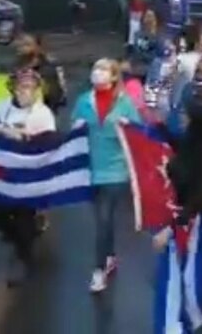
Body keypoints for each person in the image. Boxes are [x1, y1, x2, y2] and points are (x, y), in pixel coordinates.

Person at [153, 56, 202, 329]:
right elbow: (178, 156)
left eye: (187, 114)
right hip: (191, 223)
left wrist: (172, 226)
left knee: (200, 290)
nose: (182, 118)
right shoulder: (192, 143)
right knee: (188, 287)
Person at [0, 69, 58, 285]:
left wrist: (25, 137)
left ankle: (23, 260)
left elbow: (49, 144)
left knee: (23, 219)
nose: (25, 92)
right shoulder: (2, 106)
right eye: (21, 87)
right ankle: (21, 235)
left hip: (27, 177)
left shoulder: (42, 114)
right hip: (2, 175)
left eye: (30, 88)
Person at [71, 59, 143, 293]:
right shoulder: (84, 101)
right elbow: (72, 136)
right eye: (95, 68)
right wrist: (77, 127)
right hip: (90, 170)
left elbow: (140, 133)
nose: (97, 73)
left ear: (113, 77)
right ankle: (110, 255)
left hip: (116, 171)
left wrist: (129, 126)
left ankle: (98, 270)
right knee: (104, 220)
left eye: (103, 70)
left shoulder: (124, 102)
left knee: (103, 219)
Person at [15, 32, 66, 114]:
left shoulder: (50, 69)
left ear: (38, 47)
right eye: (19, 45)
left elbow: (57, 97)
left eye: (26, 45)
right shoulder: (15, 68)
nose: (21, 49)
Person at [127, 9, 165, 81]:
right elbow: (135, 50)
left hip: (150, 67)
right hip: (137, 65)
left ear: (155, 20)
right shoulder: (137, 34)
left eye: (151, 17)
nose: (148, 19)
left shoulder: (158, 37)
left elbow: (158, 54)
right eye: (147, 17)